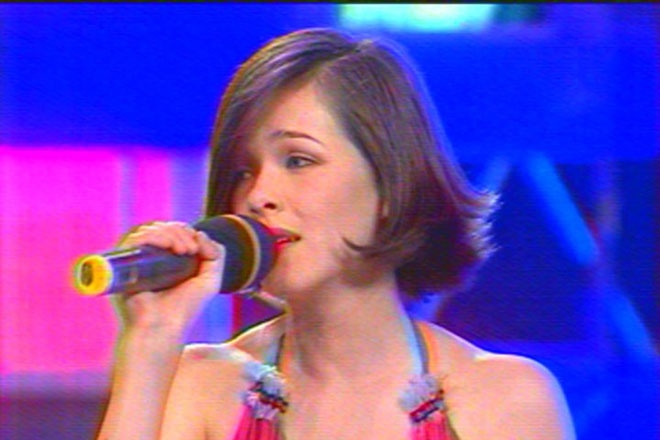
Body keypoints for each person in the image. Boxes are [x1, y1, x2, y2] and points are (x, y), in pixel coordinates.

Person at [97, 28, 575, 440]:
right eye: (243, 171)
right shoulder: (204, 385)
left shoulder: (503, 399)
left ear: (390, 183)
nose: (258, 195)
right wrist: (151, 340)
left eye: (298, 161)